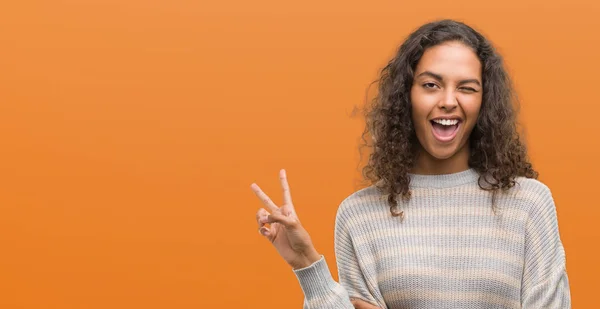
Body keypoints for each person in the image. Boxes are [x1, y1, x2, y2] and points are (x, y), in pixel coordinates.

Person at [250, 19, 571, 309]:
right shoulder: (359, 215)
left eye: (467, 87)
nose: (448, 100)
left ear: (484, 101)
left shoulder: (529, 204)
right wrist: (308, 264)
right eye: (431, 85)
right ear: (407, 96)